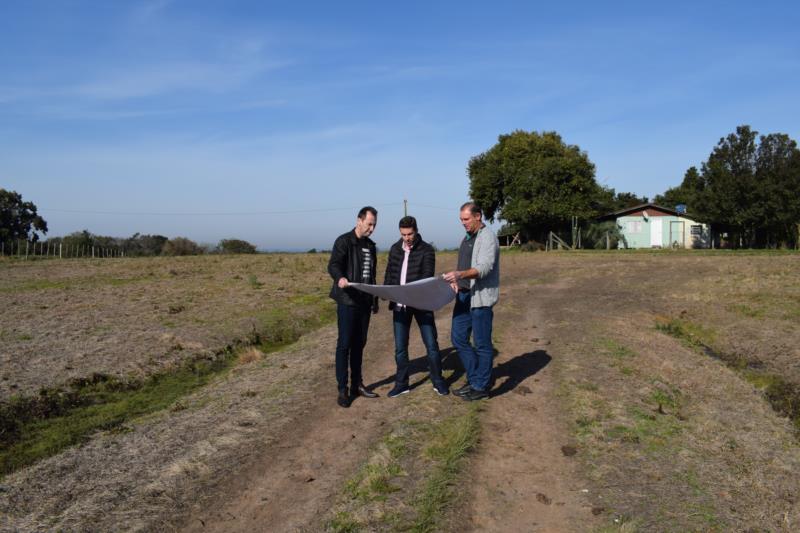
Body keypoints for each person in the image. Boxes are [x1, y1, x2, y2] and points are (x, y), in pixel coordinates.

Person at [383, 216, 449, 398]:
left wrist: (411, 294)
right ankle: (401, 384)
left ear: (416, 230)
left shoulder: (427, 250)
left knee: (431, 344)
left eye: (410, 234)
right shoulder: (395, 249)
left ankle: (438, 381)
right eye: (403, 234)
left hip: (421, 304)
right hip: (399, 305)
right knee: (400, 348)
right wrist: (386, 292)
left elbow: (426, 277)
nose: (407, 238)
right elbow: (390, 274)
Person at [443, 202, 500, 401]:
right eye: (461, 220)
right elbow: (464, 266)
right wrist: (458, 281)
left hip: (480, 298)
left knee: (482, 344)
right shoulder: (467, 238)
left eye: (466, 219)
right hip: (464, 295)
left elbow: (484, 267)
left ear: (478, 216)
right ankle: (475, 378)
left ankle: (480, 386)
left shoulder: (487, 237)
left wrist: (460, 273)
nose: (463, 223)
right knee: (458, 338)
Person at [328, 206, 380, 408]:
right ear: (359, 220)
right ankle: (342, 389)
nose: (372, 228)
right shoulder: (344, 241)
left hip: (364, 303)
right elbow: (333, 264)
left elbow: (371, 276)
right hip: (347, 301)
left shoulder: (371, 246)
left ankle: (357, 385)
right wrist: (340, 277)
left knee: (360, 344)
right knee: (345, 345)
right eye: (369, 224)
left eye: (374, 225)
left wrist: (374, 300)